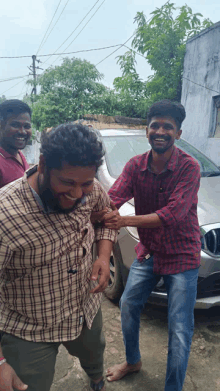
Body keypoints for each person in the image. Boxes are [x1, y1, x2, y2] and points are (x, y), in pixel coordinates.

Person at [0, 123, 117, 391]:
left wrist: (102, 256)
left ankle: (97, 380)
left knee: (94, 353)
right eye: (67, 183)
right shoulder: (5, 215)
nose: (77, 195)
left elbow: (108, 220)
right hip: (28, 327)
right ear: (43, 165)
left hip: (85, 307)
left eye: (85, 183)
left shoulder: (92, 189)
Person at [102, 100, 201, 391]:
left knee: (179, 329)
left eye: (167, 127)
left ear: (178, 133)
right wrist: (92, 207)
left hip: (182, 255)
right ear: (147, 130)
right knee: (128, 304)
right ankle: (133, 362)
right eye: (155, 125)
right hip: (150, 252)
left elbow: (173, 214)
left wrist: (123, 221)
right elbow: (113, 198)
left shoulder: (189, 167)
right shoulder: (135, 166)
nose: (160, 131)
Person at [0, 99, 32, 188]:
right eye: (15, 125)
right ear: (1, 125)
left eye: (27, 126)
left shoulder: (18, 154)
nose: (23, 132)